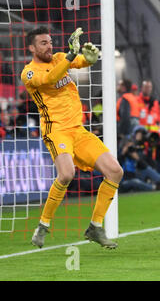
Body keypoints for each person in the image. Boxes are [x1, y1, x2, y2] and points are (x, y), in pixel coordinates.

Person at [21, 27, 123, 249]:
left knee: (115, 171)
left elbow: (81, 62)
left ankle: (95, 227)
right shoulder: (29, 72)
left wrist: (90, 56)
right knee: (66, 173)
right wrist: (70, 56)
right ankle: (43, 225)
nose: (49, 46)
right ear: (31, 48)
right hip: (56, 130)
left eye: (50, 42)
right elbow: (50, 78)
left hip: (78, 129)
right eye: (43, 43)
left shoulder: (59, 57)